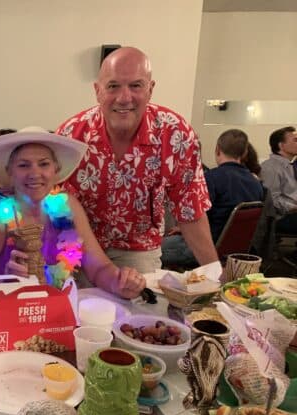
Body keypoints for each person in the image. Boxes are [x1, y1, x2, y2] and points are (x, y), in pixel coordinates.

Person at [0, 126, 146, 323]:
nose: (35, 173)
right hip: (0, 331)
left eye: (43, 164)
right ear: (9, 172)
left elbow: (98, 268)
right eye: (23, 165)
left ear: (56, 170)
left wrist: (120, 282)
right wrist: (3, 286)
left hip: (53, 326)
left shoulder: (68, 207)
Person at [56, 47, 218, 273]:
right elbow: (52, 206)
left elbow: (190, 209)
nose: (124, 98)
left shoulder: (175, 134)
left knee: (142, 306)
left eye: (135, 85)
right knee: (74, 305)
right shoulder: (69, 136)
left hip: (138, 249)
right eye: (113, 86)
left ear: (150, 89)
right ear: (97, 91)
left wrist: (214, 273)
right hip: (78, 245)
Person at [161, 129, 264, 267]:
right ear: (245, 153)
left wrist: (181, 228)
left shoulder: (210, 178)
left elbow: (197, 217)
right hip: (236, 248)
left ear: (217, 149)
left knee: (148, 249)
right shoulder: (255, 182)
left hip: (205, 247)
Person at [260, 126, 297, 234]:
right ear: (281, 145)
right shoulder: (271, 168)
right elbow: (272, 201)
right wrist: (294, 207)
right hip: (282, 217)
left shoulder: (289, 166)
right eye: (295, 140)